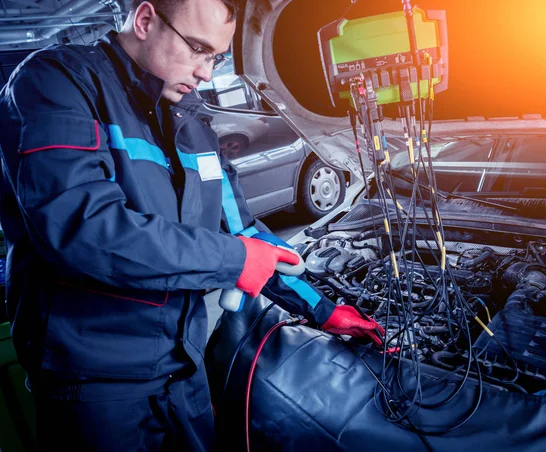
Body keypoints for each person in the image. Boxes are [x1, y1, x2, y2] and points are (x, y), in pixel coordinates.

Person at [0, 0, 384, 450]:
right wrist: (233, 259)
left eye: (216, 57)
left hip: (185, 367)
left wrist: (323, 310)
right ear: (145, 21)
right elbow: (83, 230)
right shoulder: (57, 83)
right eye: (198, 49)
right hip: (94, 387)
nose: (205, 72)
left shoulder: (191, 117)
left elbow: (243, 231)